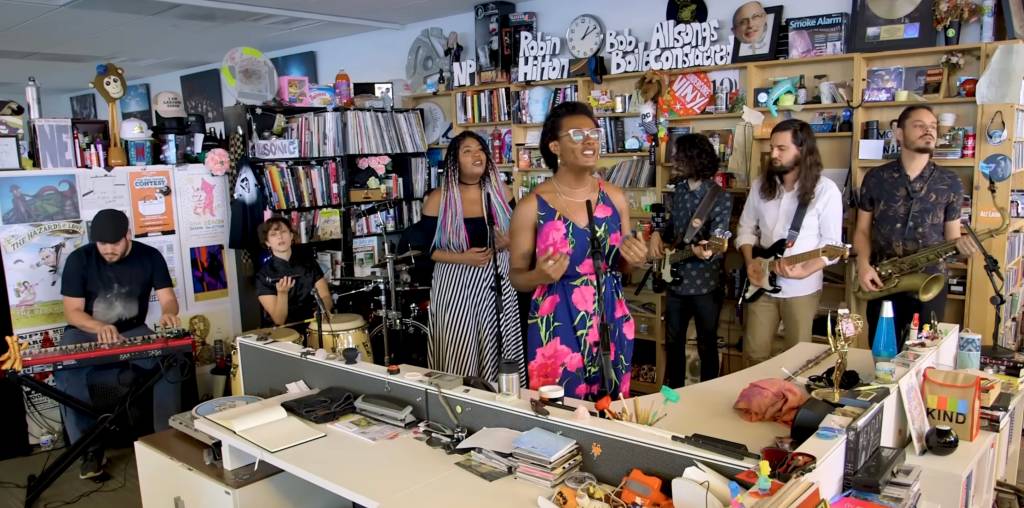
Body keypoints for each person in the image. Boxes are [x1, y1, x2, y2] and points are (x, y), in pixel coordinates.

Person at [509, 101, 648, 400]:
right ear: (555, 146)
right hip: (557, 321)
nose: (589, 140)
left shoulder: (616, 198)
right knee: (560, 410)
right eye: (576, 134)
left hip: (611, 315)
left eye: (594, 133)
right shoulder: (531, 206)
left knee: (613, 410)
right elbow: (516, 277)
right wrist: (538, 274)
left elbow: (623, 268)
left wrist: (633, 258)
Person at [58, 208, 182, 479]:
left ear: (128, 235)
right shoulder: (79, 260)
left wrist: (169, 313)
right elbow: (72, 312)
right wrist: (100, 327)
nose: (108, 250)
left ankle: (165, 440)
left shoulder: (150, 256)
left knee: (170, 363)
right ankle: (90, 450)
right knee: (68, 373)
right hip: (85, 331)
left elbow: (167, 297)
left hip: (133, 330)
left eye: (114, 243)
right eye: (102, 244)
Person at [856, 105, 979, 343]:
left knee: (923, 355)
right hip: (883, 279)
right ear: (899, 133)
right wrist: (863, 265)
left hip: (930, 282)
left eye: (932, 126)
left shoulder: (951, 181)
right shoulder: (875, 178)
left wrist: (962, 247)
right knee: (882, 352)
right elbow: (862, 229)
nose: (929, 131)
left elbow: (952, 236)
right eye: (919, 125)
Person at [736, 119, 843, 366]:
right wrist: (751, 261)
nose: (773, 154)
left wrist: (805, 269)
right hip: (760, 281)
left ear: (802, 150)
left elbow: (833, 246)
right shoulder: (759, 186)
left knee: (798, 358)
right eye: (772, 147)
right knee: (754, 354)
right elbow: (746, 228)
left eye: (781, 149)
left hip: (802, 289)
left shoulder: (825, 191)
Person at [420, 131, 525, 383]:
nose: (476, 155)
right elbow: (425, 249)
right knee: (460, 346)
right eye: (467, 151)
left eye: (480, 149)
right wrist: (463, 259)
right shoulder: (439, 198)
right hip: (455, 282)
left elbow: (523, 233)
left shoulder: (503, 193)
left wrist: (510, 241)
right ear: (454, 161)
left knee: (497, 346)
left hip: (497, 280)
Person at [648, 134, 732, 385]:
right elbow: (671, 227)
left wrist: (707, 249)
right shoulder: (679, 190)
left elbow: (719, 239)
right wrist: (656, 234)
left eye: (678, 155)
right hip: (675, 281)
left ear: (694, 158)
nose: (673, 159)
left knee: (707, 344)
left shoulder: (719, 196)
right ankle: (672, 395)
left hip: (705, 285)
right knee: (673, 342)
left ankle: (706, 395)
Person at [254, 217, 332, 341]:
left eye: (284, 232)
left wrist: (323, 309)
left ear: (291, 236)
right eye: (274, 234)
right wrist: (282, 293)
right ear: (267, 242)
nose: (280, 237)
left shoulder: (309, 264)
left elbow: (326, 296)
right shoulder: (263, 276)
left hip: (313, 327)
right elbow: (279, 320)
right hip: (281, 336)